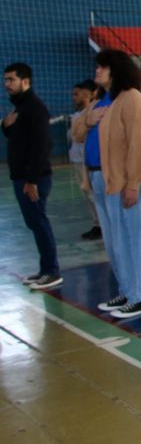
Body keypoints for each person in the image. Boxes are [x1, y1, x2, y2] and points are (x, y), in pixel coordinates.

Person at [72, 50, 141, 317]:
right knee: (114, 240)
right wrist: (89, 119)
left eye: (103, 67)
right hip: (101, 178)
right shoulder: (100, 101)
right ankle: (127, 290)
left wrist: (133, 184)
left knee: (133, 237)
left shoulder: (131, 98)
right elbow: (77, 134)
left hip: (125, 181)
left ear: (116, 70)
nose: (97, 71)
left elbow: (140, 145)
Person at [3, 62, 62, 290]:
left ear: (25, 81)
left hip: (33, 178)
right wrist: (5, 126)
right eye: (6, 80)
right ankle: (45, 268)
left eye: (11, 80)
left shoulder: (34, 107)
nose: (7, 84)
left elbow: (41, 145)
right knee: (34, 223)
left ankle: (52, 271)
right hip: (22, 176)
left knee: (39, 222)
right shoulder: (19, 108)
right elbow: (19, 138)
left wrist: (32, 180)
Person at [69, 79, 101, 241]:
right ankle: (97, 223)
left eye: (77, 94)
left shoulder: (93, 112)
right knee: (87, 195)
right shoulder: (77, 115)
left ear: (88, 95)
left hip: (88, 161)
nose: (74, 97)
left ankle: (101, 225)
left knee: (93, 194)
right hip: (77, 159)